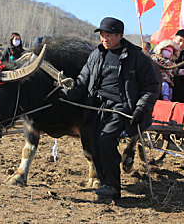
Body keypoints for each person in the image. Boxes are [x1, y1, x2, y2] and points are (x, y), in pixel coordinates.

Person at [60, 17, 159, 201]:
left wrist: (141, 107)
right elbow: (82, 81)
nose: (104, 39)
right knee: (92, 142)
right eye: (102, 35)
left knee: (105, 140)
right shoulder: (95, 55)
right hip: (96, 106)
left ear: (120, 36)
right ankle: (105, 182)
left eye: (109, 35)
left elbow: (151, 87)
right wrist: (66, 94)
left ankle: (112, 186)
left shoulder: (136, 58)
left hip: (122, 107)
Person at [172, 29, 184, 103]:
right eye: (179, 40)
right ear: (174, 38)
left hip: (177, 86)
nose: (181, 44)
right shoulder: (164, 50)